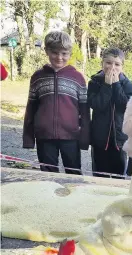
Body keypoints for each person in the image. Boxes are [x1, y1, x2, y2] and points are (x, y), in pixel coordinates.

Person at [23, 31, 90, 174]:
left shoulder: (78, 78)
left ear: (70, 53)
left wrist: (84, 138)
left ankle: (74, 196)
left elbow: (84, 111)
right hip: (44, 136)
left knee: (74, 174)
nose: (59, 57)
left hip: (71, 136)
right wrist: (28, 138)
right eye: (54, 52)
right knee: (48, 176)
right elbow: (31, 108)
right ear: (46, 51)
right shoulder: (37, 77)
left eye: (64, 53)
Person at [88, 47, 132, 178]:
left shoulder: (127, 85)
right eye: (108, 63)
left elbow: (126, 106)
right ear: (102, 63)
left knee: (118, 175)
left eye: (117, 64)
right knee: (99, 174)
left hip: (119, 138)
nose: (112, 67)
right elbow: (97, 105)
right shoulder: (94, 82)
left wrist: (115, 85)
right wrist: (106, 86)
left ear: (122, 67)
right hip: (99, 138)